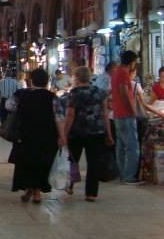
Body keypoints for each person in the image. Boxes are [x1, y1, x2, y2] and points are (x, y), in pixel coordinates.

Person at [9, 67, 63, 203]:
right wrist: (62, 136)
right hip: (47, 135)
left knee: (26, 162)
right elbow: (59, 118)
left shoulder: (22, 95)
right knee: (42, 162)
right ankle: (36, 191)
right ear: (46, 82)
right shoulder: (53, 98)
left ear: (31, 81)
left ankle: (29, 189)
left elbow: (9, 106)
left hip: (25, 134)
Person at [63, 66, 113, 201]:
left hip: (77, 132)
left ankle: (70, 185)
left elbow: (70, 116)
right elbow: (105, 114)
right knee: (93, 163)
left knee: (73, 160)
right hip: (97, 131)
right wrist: (109, 134)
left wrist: (64, 134)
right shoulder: (100, 93)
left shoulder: (74, 93)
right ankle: (91, 193)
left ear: (77, 78)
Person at [111, 50, 143, 185]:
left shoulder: (116, 72)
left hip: (118, 114)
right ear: (132, 62)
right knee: (132, 147)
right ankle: (129, 176)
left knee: (121, 146)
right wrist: (132, 110)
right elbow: (124, 92)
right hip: (126, 114)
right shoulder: (123, 73)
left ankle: (123, 174)